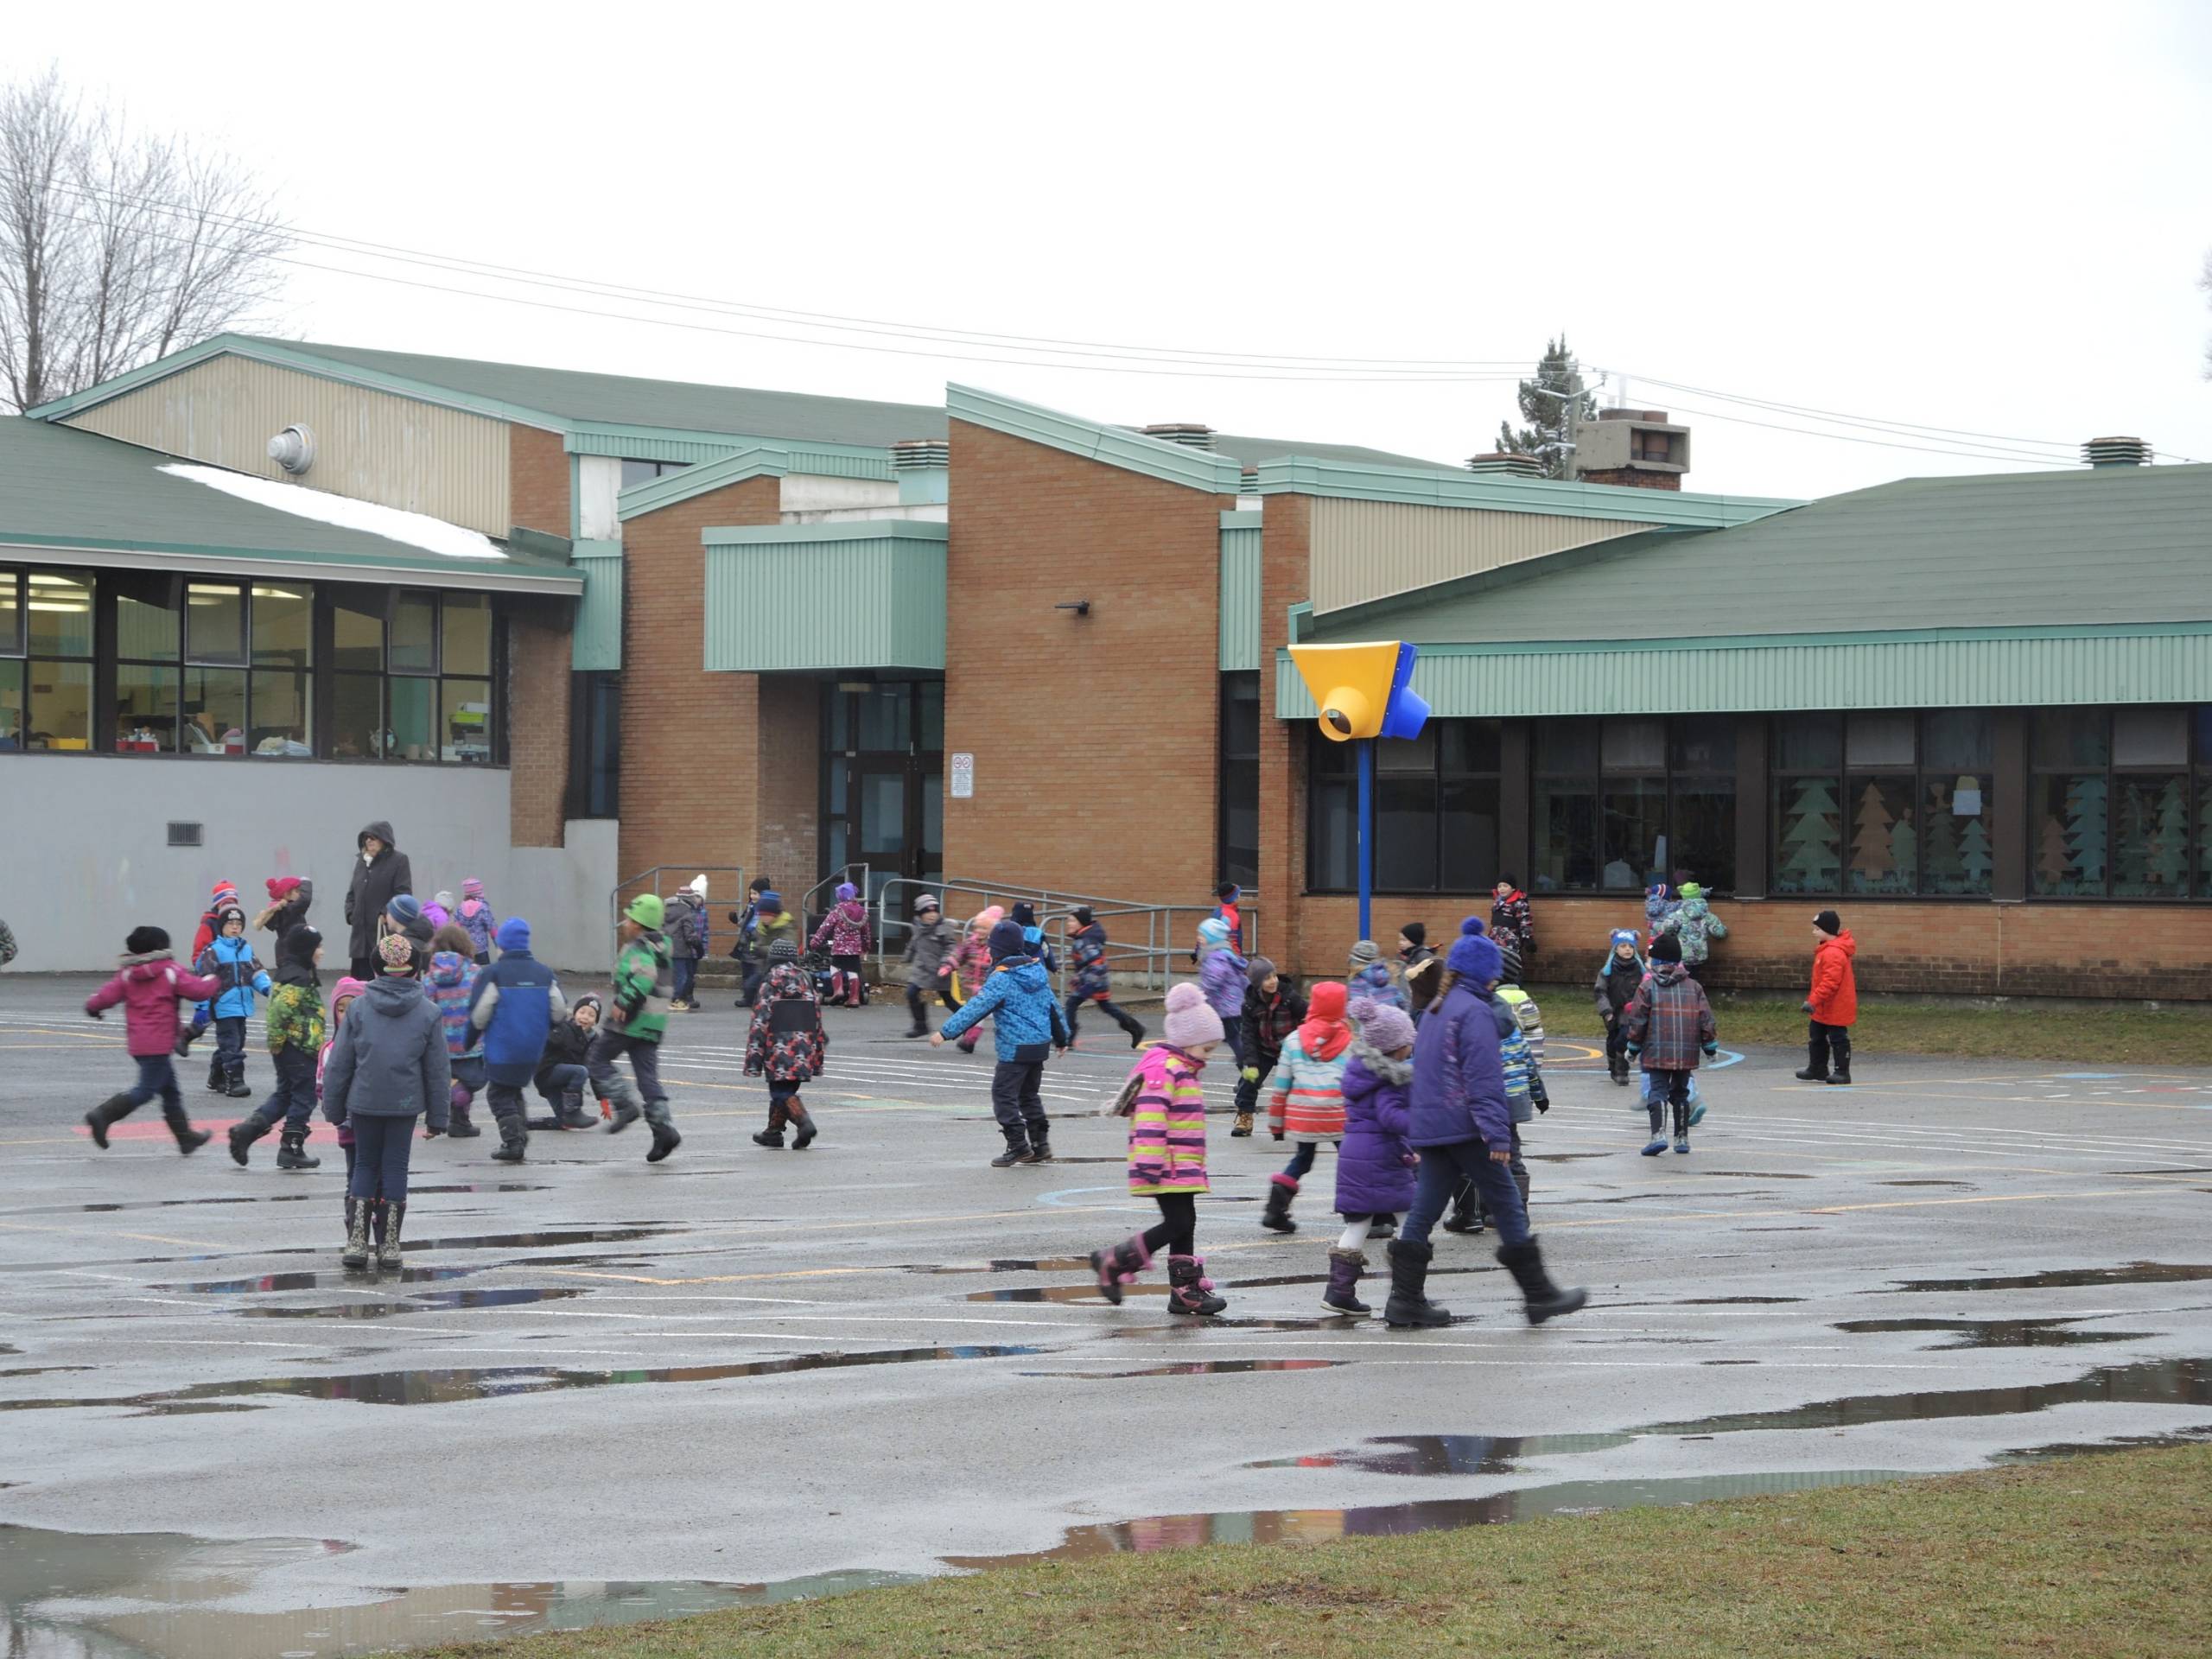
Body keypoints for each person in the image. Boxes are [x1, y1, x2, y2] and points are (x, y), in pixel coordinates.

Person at [1386, 918, 1585, 1329]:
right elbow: (1482, 1078)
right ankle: (1539, 1295)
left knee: (1424, 1210)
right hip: (1466, 1128)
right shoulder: (1474, 1012)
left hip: (1435, 1127)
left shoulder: (1437, 1007)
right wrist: (1497, 1133)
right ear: (1487, 974)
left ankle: (1404, 1300)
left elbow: (1423, 1072)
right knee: (1508, 1202)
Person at [1086, 982, 1226, 1317]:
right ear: (1187, 1041)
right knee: (1177, 1222)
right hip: (1165, 1163)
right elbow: (1150, 1118)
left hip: (1183, 1163)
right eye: (1206, 1049)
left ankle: (1185, 1292)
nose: (1209, 1057)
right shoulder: (1164, 1069)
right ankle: (1115, 1260)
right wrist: (1149, 1163)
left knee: (1185, 1222)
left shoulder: (1184, 1069)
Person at [322, 931, 451, 1270]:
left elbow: (340, 1062)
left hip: (363, 1099)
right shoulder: (428, 1012)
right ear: (414, 969)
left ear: (377, 968)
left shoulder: (360, 1008)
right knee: (395, 1166)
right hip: (405, 1102)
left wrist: (333, 1107)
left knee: (364, 1164)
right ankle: (390, 1243)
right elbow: (437, 1069)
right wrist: (439, 1116)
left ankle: (357, 1242)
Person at [933, 917, 1071, 1166]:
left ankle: (1018, 1145)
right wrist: (1062, 1038)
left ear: (997, 950)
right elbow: (1053, 1008)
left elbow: (977, 1007)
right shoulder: (1037, 970)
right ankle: (1041, 1145)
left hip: (1015, 1048)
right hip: (1038, 1046)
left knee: (1003, 1095)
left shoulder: (1002, 978)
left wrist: (946, 1031)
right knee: (1029, 1095)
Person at [84, 925, 222, 1154]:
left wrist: (93, 1007)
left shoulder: (127, 974)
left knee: (170, 1091)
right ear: (161, 947)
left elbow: (107, 995)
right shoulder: (169, 970)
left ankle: (185, 1138)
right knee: (146, 1090)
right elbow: (197, 990)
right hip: (159, 1044)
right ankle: (102, 1115)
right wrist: (214, 979)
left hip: (139, 1044)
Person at [1328, 997, 1418, 1316]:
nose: (1411, 1047)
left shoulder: (1361, 1071)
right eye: (1409, 1042)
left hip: (1355, 1153)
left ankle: (1338, 1291)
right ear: (1395, 1048)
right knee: (1411, 1219)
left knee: (1358, 1223)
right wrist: (1421, 1129)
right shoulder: (1390, 1078)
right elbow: (1391, 1117)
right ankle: (1408, 1290)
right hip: (1381, 1156)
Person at [227, 922, 326, 1170]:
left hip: (290, 1048)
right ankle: (291, 1147)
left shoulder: (291, 972)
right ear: (306, 951)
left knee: (285, 1095)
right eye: (318, 947)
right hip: (298, 1047)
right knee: (304, 1097)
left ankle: (247, 1132)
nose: (322, 952)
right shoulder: (299, 978)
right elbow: (279, 1011)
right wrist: (277, 1042)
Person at [467, 916, 563, 1163]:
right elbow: (559, 1011)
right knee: (512, 1089)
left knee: (498, 1094)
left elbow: (480, 1015)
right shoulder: (544, 973)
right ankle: (520, 1133)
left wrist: (468, 1040)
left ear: (502, 945)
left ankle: (513, 1141)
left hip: (504, 1048)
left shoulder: (494, 973)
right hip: (533, 1049)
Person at [1262, 980, 1353, 1235]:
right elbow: (1356, 1082)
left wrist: (1276, 1125)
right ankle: (1363, 1213)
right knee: (1351, 1161)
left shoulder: (1293, 1040)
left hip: (1304, 1114)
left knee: (1303, 1159)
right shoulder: (1348, 1040)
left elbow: (1281, 1086)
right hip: (1338, 1113)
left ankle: (1275, 1209)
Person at [596, 894, 683, 1162]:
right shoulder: (661, 948)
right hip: (653, 1022)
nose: (625, 923)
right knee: (648, 1078)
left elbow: (645, 976)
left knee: (596, 1060)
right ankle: (663, 1130)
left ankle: (624, 1105)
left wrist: (625, 1001)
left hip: (630, 1021)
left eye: (630, 919)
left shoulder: (639, 948)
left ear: (639, 924)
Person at [1625, 932, 1718, 1155]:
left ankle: (1658, 1136)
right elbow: (1706, 1018)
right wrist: (1709, 1046)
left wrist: (1633, 1047)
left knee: (1657, 1090)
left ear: (1655, 961)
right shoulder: (1694, 987)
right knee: (1681, 1091)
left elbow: (1639, 1019)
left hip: (1656, 1050)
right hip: (1685, 1052)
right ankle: (1681, 1138)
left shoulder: (1647, 988)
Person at [747, 936, 826, 1148]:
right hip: (804, 1047)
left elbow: (760, 1021)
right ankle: (773, 1132)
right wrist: (818, 1046)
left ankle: (804, 1122)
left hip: (778, 1048)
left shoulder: (770, 981)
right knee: (787, 1089)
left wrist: (754, 1057)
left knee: (781, 1091)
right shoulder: (806, 979)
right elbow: (816, 1015)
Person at [321, 977, 378, 1254]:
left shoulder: (374, 1044)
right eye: (341, 1009)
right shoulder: (330, 1050)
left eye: (353, 1007)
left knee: (377, 1176)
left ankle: (377, 1225)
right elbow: (323, 1086)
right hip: (349, 1127)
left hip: (375, 1121)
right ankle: (355, 1228)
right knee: (355, 1176)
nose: (347, 1014)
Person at [194, 906, 271, 1098]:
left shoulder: (246, 949)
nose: (235, 927)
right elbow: (204, 979)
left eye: (238, 924)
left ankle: (217, 1076)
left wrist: (270, 989)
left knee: (237, 1041)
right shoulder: (214, 951)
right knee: (231, 1044)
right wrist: (202, 1007)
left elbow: (256, 973)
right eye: (230, 924)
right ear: (222, 927)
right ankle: (235, 1081)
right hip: (223, 1005)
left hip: (243, 1006)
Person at [426, 923, 486, 1144]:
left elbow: (427, 1007)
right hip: (471, 1040)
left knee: (452, 1078)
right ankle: (459, 1108)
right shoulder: (476, 973)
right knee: (476, 1080)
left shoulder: (429, 976)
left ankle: (459, 1122)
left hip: (442, 1043)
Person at [1233, 958, 1304, 1138]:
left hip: (1290, 1049)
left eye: (1274, 976)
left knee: (1300, 1083)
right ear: (1257, 983)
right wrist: (1251, 1062)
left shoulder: (1290, 998)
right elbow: (1247, 1034)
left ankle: (1299, 1118)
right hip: (1263, 1048)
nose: (1273, 981)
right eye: (1266, 978)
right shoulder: (1249, 1004)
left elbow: (1309, 1017)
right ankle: (1244, 1116)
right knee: (1248, 1082)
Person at [1064, 905, 1146, 1049]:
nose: (1068, 924)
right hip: (1093, 980)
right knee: (1106, 1006)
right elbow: (1088, 965)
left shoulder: (1086, 941)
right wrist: (1079, 978)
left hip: (1092, 981)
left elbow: (1097, 965)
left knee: (1071, 1004)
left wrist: (1087, 985)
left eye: (1072, 921)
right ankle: (1136, 1028)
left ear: (1081, 923)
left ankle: (1068, 1036)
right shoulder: (1084, 938)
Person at [343, 821, 412, 981]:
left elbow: (403, 893)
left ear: (384, 839)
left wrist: (385, 913)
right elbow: (352, 893)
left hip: (383, 935)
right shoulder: (361, 862)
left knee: (381, 981)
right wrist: (350, 914)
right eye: (366, 838)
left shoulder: (399, 860)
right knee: (359, 986)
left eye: (374, 837)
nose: (369, 841)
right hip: (360, 938)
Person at [1798, 908, 1859, 1086]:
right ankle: (1817, 1067)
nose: (1813, 932)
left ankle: (1842, 1072)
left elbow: (1830, 982)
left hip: (1835, 1005)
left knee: (1838, 1037)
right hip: (1823, 1006)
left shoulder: (1834, 953)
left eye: (1817, 929)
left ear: (1827, 930)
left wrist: (1813, 1001)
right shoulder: (1825, 950)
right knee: (1816, 1035)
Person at [531, 993, 603, 1129]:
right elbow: (548, 1040)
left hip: (562, 1084)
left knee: (564, 1122)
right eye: (582, 1012)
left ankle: (524, 1123)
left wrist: (602, 1097)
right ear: (575, 1013)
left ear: (595, 1021)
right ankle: (573, 1112)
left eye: (591, 1015)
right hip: (547, 1074)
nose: (585, 1017)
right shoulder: (564, 1028)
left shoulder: (594, 1040)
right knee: (580, 1072)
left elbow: (595, 1068)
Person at [946, 904, 1005, 1056]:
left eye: (984, 929)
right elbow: (960, 954)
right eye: (977, 928)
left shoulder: (996, 946)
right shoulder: (971, 943)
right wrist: (949, 965)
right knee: (978, 1013)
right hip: (976, 987)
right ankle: (969, 1041)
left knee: (994, 1014)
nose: (979, 931)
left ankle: (973, 1040)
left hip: (990, 987)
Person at [899, 894, 961, 1039]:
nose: (931, 915)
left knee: (948, 999)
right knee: (911, 993)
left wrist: (946, 961)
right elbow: (914, 943)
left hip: (940, 969)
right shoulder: (918, 928)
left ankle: (968, 1020)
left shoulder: (944, 927)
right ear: (920, 915)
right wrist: (907, 956)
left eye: (934, 912)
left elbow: (951, 946)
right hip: (921, 968)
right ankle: (921, 1025)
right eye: (927, 912)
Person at [1593, 928, 1645, 1086]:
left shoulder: (1640, 969)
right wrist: (1606, 1011)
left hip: (1631, 1012)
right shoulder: (1608, 970)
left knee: (1624, 1038)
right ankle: (1613, 1066)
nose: (1627, 949)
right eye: (1623, 946)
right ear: (1615, 948)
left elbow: (1646, 989)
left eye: (1630, 946)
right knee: (1613, 1039)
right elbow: (1600, 991)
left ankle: (1623, 1070)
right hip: (1612, 1010)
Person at [1195, 917, 1248, 1069]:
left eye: (1202, 936)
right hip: (1230, 1005)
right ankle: (1244, 1060)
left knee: (1232, 1037)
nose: (1199, 938)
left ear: (1212, 938)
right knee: (1231, 1036)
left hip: (1227, 1006)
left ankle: (1245, 1061)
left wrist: (1199, 993)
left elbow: (1213, 979)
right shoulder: (1224, 954)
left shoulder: (1216, 957)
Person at [810, 881, 872, 1007]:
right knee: (853, 970)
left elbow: (825, 928)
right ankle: (854, 998)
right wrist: (866, 946)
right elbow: (866, 932)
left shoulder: (837, 911)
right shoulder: (862, 912)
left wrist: (815, 942)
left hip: (840, 947)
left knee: (835, 967)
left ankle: (838, 990)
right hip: (855, 949)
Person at [1657, 880, 1728, 985]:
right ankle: (1696, 995)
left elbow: (1666, 930)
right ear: (1698, 894)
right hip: (1700, 955)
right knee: (1695, 978)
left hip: (1682, 956)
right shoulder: (1707, 916)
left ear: (1683, 896)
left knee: (1682, 979)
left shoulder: (1677, 915)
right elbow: (1720, 933)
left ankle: (1686, 996)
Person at [739, 889, 798, 1010]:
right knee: (750, 987)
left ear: (773, 914)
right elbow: (759, 942)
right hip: (763, 965)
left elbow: (789, 945)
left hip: (782, 967)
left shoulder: (786, 925)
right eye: (761, 914)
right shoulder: (761, 926)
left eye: (765, 915)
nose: (762, 917)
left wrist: (760, 950)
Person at [664, 875, 708, 1012]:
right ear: (689, 899)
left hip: (667, 948)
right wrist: (699, 948)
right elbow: (690, 936)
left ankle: (669, 998)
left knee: (671, 975)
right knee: (682, 977)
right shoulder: (688, 913)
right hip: (681, 950)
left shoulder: (666, 910)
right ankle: (675, 1000)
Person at [728, 876, 772, 1005]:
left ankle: (757, 996)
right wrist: (736, 920)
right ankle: (747, 997)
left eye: (755, 893)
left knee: (757, 971)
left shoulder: (767, 908)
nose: (752, 896)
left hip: (758, 943)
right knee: (746, 970)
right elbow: (743, 922)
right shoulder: (750, 906)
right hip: (746, 942)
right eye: (751, 893)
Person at [1397, 923, 1441, 1020]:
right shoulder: (1410, 957)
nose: (1400, 943)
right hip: (1411, 1006)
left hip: (1420, 1009)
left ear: (1414, 940)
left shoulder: (1422, 958)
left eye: (1404, 940)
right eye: (1400, 939)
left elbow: (1429, 985)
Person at [1490, 876, 1535, 968]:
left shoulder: (1519, 904)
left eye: (1505, 886)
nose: (1502, 889)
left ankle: (1515, 981)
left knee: (1512, 966)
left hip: (1511, 942)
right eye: (1499, 886)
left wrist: (1528, 939)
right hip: (1495, 940)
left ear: (1513, 888)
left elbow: (1525, 922)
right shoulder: (1497, 903)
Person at [253, 875, 313, 944]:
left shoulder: (283, 909)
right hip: (295, 946)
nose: (300, 894)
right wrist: (305, 882)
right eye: (297, 891)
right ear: (286, 894)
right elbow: (305, 900)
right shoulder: (289, 909)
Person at [1346, 939, 1404, 1010]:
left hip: (1372, 1020)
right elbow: (1401, 1001)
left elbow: (1356, 1010)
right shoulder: (1388, 975)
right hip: (1393, 1018)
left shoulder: (1357, 982)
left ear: (1353, 962)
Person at [456, 877, 499, 967]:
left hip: (465, 950)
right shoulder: (483, 908)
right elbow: (492, 929)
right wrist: (499, 946)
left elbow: (456, 928)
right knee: (482, 976)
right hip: (481, 951)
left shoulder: (460, 908)